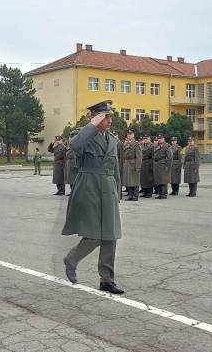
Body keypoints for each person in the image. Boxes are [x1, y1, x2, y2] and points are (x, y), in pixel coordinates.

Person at [62, 100, 125, 294]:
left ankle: (106, 279)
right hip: (89, 187)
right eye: (105, 117)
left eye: (109, 117)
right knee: (95, 234)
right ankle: (72, 259)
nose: (109, 121)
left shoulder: (112, 140)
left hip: (108, 189)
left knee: (111, 235)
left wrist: (118, 190)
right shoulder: (82, 135)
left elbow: (115, 168)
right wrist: (91, 125)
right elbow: (74, 145)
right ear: (95, 117)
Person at [122, 129, 142, 201]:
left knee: (135, 181)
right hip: (127, 164)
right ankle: (130, 195)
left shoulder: (137, 144)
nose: (129, 135)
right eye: (128, 134)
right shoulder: (126, 143)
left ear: (133, 135)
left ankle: (135, 196)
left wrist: (138, 167)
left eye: (130, 134)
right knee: (128, 181)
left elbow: (139, 156)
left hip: (133, 164)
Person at [152, 134, 173, 199]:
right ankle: (160, 194)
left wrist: (167, 166)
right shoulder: (156, 146)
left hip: (163, 165)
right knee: (159, 180)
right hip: (157, 165)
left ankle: (164, 194)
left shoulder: (166, 146)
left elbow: (170, 157)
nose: (159, 139)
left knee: (163, 180)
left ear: (163, 139)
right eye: (158, 138)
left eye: (160, 138)